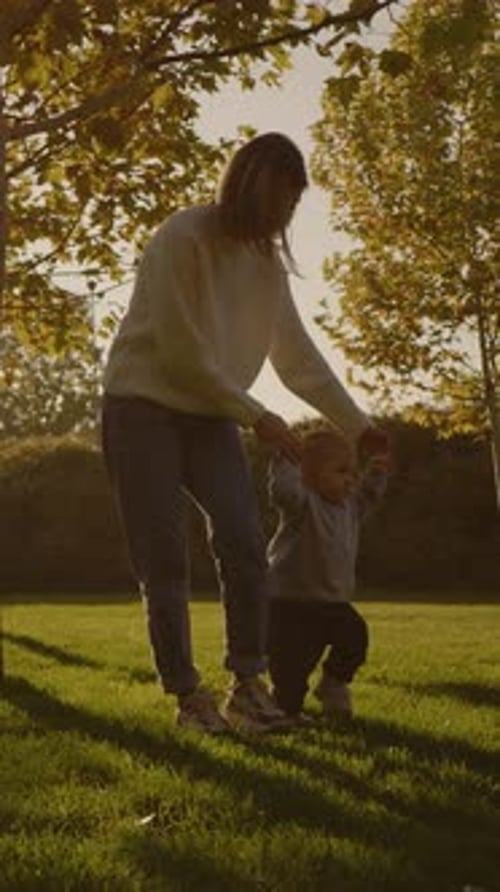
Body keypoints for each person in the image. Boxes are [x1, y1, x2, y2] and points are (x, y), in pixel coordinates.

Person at [101, 131, 378, 735]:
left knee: (245, 541)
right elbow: (180, 354)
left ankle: (247, 689)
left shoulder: (265, 264)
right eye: (280, 198)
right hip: (140, 405)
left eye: (294, 203)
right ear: (249, 186)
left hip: (212, 414)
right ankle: (187, 697)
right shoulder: (183, 236)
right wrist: (257, 415)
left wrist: (359, 425)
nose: (285, 214)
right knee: (165, 558)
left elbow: (296, 357)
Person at [267, 427, 390, 723]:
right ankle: (287, 709)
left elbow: (369, 495)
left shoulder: (349, 507)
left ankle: (333, 682)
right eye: (341, 471)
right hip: (290, 604)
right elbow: (282, 490)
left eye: (353, 472)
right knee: (292, 666)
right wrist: (286, 460)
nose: (351, 479)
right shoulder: (302, 504)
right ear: (308, 475)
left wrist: (377, 471)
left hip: (333, 603)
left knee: (354, 637)